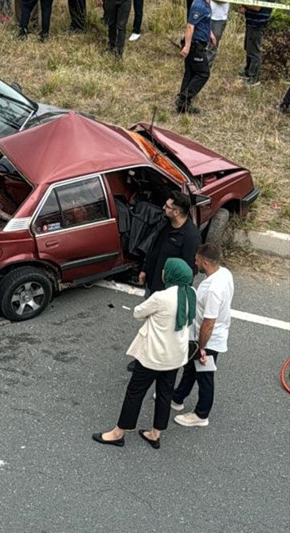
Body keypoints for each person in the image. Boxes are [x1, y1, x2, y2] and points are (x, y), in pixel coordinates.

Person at [93, 258, 196, 449]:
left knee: (135, 391)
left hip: (154, 355)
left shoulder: (161, 297)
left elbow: (138, 312)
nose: (163, 271)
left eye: (166, 269)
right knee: (165, 393)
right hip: (175, 356)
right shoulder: (191, 293)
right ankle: (155, 433)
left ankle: (119, 432)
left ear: (171, 274)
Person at [172, 244, 234, 428]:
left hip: (209, 339)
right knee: (191, 367)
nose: (195, 262)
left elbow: (209, 322)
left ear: (206, 262)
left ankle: (201, 414)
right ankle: (177, 398)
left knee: (205, 375)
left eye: (197, 260)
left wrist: (201, 347)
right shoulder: (224, 273)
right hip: (206, 334)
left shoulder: (213, 289)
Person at [140, 191, 201, 295]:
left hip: (167, 293)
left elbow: (189, 271)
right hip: (151, 284)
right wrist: (144, 269)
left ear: (176, 212)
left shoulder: (191, 237)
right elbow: (153, 248)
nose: (164, 207)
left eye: (167, 206)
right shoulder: (164, 223)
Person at [176, 0, 217, 114]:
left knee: (190, 73)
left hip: (199, 42)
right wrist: (187, 47)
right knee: (203, 73)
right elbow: (190, 26)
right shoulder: (200, 5)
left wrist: (210, 33)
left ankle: (183, 105)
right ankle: (184, 98)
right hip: (195, 45)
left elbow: (203, 22)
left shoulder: (205, 2)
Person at [238, 0, 276, 88]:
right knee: (248, 47)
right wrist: (245, 6)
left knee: (254, 50)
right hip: (252, 21)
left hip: (258, 23)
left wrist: (244, 3)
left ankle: (254, 77)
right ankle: (248, 71)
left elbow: (256, 6)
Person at [200, 0, 237, 67]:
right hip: (203, 13)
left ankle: (207, 66)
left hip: (219, 16)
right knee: (200, 40)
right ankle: (197, 63)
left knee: (213, 43)